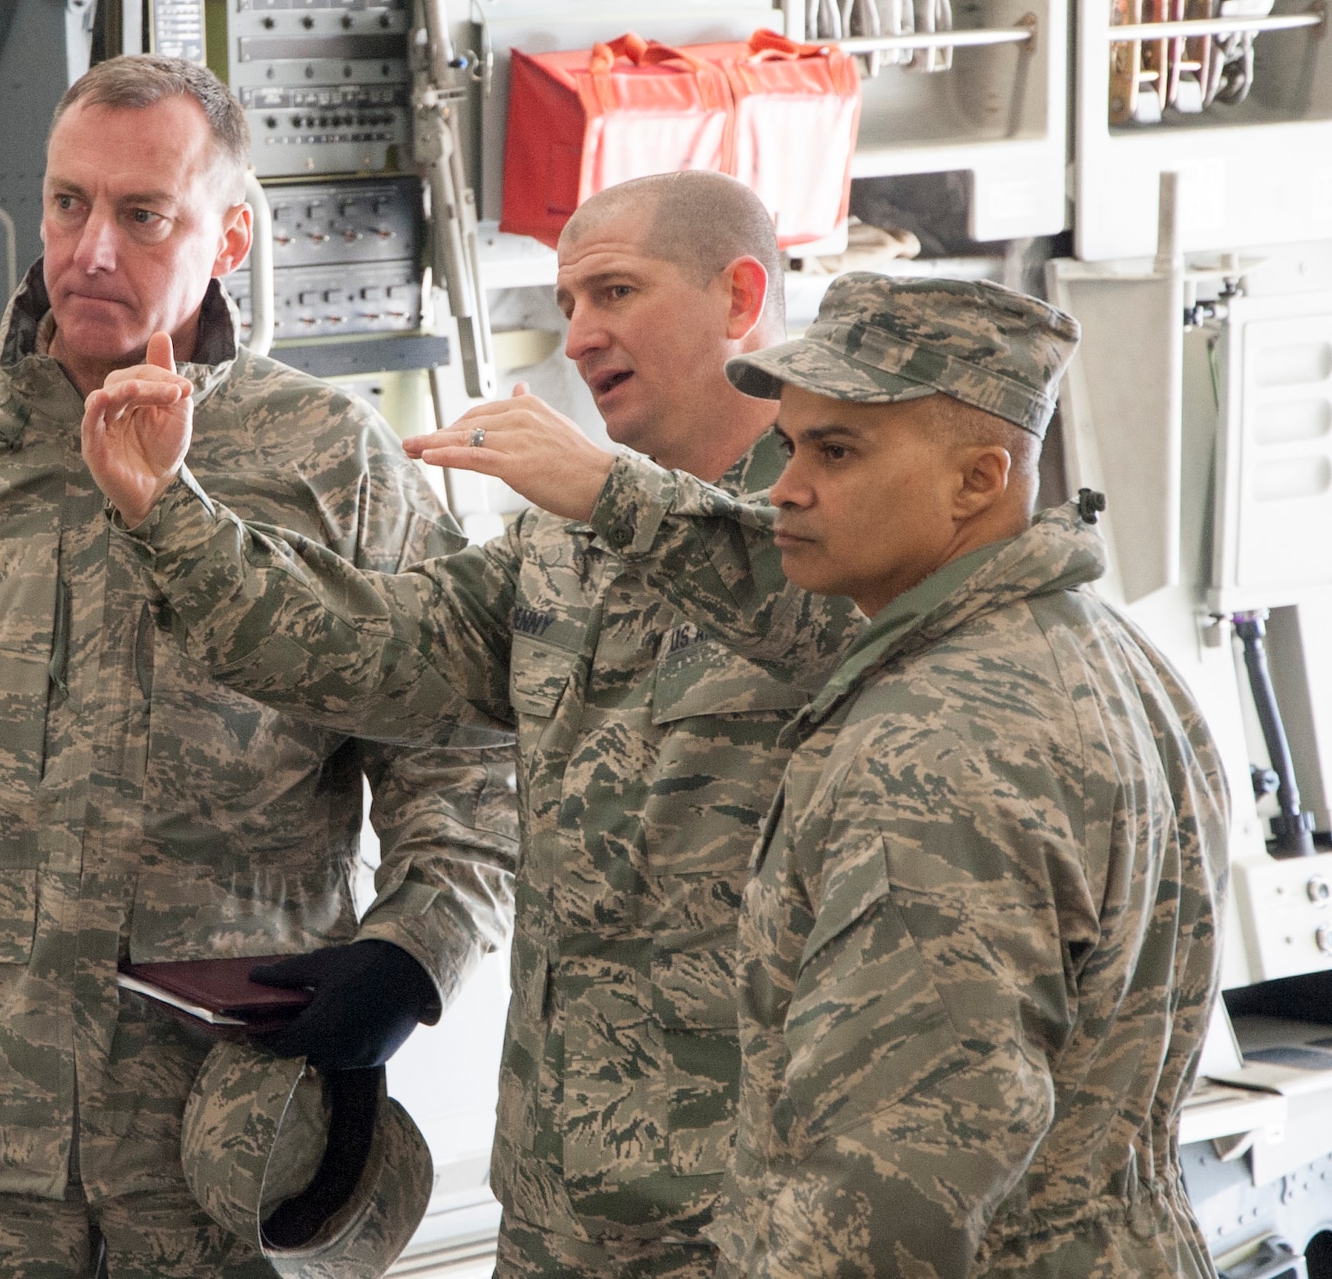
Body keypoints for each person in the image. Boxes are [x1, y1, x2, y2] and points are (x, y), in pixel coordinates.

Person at [0, 54, 516, 1279]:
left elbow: (462, 761)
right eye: (66, 203)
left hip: (220, 1160)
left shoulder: (331, 464)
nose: (87, 249)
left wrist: (412, 955)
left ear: (230, 234)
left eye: (142, 214)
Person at [81, 170, 862, 1278]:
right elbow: (370, 646)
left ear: (739, 295)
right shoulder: (567, 545)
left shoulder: (850, 519)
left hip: (765, 1221)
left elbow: (835, 621)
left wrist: (611, 495)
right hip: (566, 1209)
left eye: (614, 292)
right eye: (566, 304)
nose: (580, 335)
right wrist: (172, 515)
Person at [409, 272, 1233, 1274]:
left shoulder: (931, 738)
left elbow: (895, 1179)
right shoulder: (1108, 657)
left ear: (976, 479)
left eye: (837, 450)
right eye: (791, 443)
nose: (787, 486)